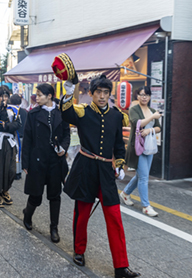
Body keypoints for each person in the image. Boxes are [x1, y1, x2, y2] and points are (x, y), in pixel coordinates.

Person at [61, 75, 140, 278]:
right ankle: (79, 251)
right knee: (82, 214)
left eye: (106, 92)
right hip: (85, 167)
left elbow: (118, 146)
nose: (103, 96)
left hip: (105, 171)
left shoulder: (116, 116)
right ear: (91, 93)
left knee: (114, 216)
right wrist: (69, 91)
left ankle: (121, 266)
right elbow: (65, 113)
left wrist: (121, 163)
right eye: (99, 92)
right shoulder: (82, 111)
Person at [22, 83, 70, 243]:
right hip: (37, 160)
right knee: (35, 195)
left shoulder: (61, 112)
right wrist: (25, 163)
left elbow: (66, 134)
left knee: (55, 196)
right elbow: (27, 139)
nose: (37, 97)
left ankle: (54, 228)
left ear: (49, 96)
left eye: (40, 94)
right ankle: (27, 215)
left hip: (55, 160)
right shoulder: (33, 114)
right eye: (37, 94)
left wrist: (63, 147)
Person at [120, 86, 162, 217]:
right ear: (137, 96)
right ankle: (146, 206)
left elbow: (158, 128)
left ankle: (125, 193)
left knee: (140, 176)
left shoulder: (152, 110)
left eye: (146, 95)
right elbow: (136, 122)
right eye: (141, 94)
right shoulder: (133, 109)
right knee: (144, 177)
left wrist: (150, 130)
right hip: (137, 147)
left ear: (150, 97)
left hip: (150, 146)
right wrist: (152, 117)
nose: (144, 97)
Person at [9, 94, 28, 180]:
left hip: (14, 136)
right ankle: (19, 172)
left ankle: (15, 172)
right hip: (23, 136)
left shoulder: (11, 110)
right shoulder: (24, 111)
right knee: (20, 154)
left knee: (14, 154)